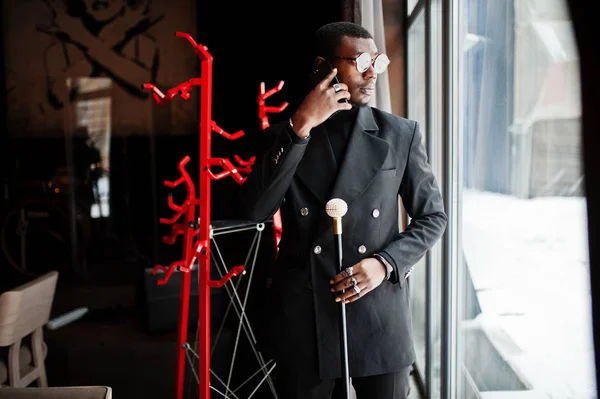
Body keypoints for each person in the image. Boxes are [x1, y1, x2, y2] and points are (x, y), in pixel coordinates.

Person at [240, 21, 447, 399]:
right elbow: (255, 210)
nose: (372, 73)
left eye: (377, 61)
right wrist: (300, 126)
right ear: (325, 65)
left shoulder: (399, 134)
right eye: (362, 61)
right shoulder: (286, 134)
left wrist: (384, 263)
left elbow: (433, 217)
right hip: (306, 317)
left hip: (378, 314)